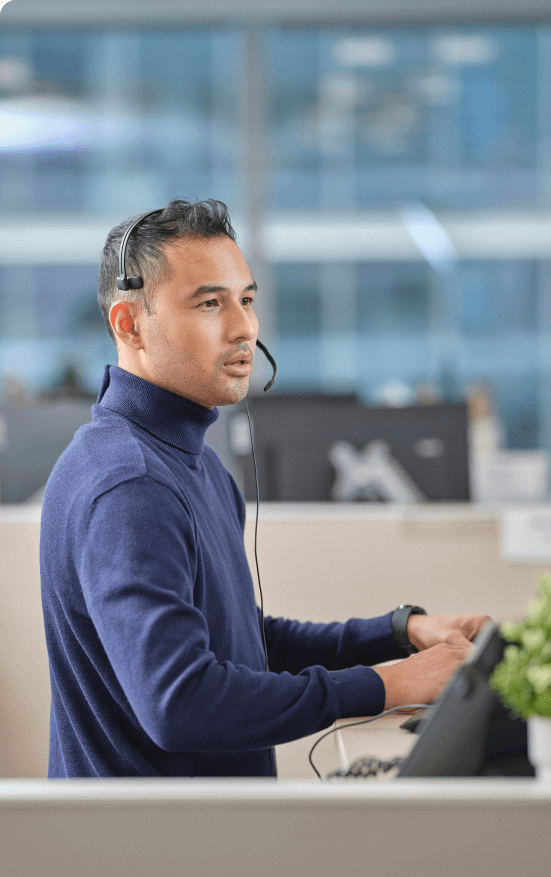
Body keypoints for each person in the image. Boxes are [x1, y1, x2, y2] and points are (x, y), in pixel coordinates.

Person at [40, 198, 491, 777]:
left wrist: (399, 633)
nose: (244, 328)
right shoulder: (132, 486)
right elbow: (179, 703)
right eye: (210, 303)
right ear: (129, 324)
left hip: (207, 842)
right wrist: (384, 686)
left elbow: (245, 644)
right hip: (152, 858)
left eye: (247, 300)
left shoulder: (192, 465)